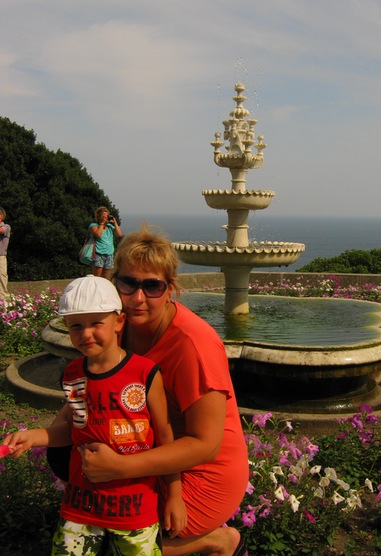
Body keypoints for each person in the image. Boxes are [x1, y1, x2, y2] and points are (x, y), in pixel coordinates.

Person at [48, 226, 248, 556]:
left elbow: (206, 444)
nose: (138, 298)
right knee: (62, 450)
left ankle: (217, 541)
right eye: (128, 283)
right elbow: (89, 388)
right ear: (115, 284)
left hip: (201, 472)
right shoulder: (119, 325)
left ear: (171, 289)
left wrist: (119, 468)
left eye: (152, 286)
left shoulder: (192, 345)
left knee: (110, 546)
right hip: (143, 447)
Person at [4, 275, 187, 556]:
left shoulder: (145, 373)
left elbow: (164, 436)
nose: (86, 333)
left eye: (96, 323)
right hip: (81, 506)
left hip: (135, 508)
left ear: (119, 322)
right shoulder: (72, 373)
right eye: (76, 326)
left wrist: (174, 495)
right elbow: (75, 428)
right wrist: (33, 437)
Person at [89, 206, 122, 279]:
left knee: (106, 278)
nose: (105, 218)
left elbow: (119, 234)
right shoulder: (94, 226)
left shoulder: (110, 227)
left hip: (109, 254)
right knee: (97, 277)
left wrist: (115, 223)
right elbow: (98, 234)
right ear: (98, 216)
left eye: (106, 216)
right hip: (98, 253)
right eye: (103, 216)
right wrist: (102, 223)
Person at [0, 207, 11, 302]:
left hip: (0, 257)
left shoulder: (6, 227)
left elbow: (1, 231)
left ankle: (5, 302)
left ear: (1, 216)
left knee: (2, 278)